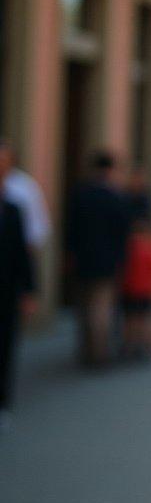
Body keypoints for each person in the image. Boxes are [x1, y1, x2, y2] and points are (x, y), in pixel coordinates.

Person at [65, 150, 130, 368]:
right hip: (107, 261)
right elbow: (122, 232)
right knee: (101, 309)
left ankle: (85, 349)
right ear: (110, 170)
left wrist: (70, 253)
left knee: (84, 307)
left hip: (83, 259)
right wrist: (121, 258)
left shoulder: (81, 193)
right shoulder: (114, 197)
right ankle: (99, 353)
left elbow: (71, 227)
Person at [0, 146, 37, 431]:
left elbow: (25, 252)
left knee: (4, 346)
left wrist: (29, 290)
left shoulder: (13, 208)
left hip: (6, 289)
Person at [118, 214, 151, 362]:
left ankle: (129, 347)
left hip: (131, 289)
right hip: (149, 290)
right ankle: (149, 347)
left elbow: (122, 269)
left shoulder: (129, 248)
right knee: (148, 319)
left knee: (130, 320)